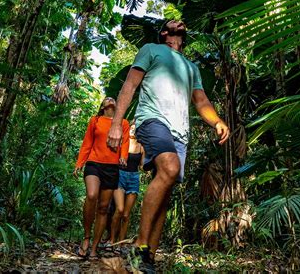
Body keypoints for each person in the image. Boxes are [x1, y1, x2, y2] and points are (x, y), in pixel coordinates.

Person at [107, 20, 230, 271]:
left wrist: (217, 121)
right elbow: (129, 86)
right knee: (171, 168)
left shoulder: (191, 67)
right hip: (152, 119)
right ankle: (140, 245)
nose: (180, 21)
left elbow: (201, 100)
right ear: (164, 32)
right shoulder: (151, 49)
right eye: (172, 22)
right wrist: (117, 124)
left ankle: (148, 258)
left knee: (165, 191)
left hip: (180, 133)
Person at [74, 97, 130, 259]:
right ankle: (86, 237)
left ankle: (94, 248)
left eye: (112, 98)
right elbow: (87, 143)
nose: (110, 99)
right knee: (92, 195)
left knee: (104, 208)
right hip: (94, 163)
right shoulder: (95, 120)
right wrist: (80, 163)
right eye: (107, 99)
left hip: (112, 168)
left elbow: (125, 142)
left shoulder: (123, 123)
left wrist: (123, 156)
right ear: (102, 106)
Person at [108, 121, 144, 251]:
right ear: (127, 130)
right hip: (121, 176)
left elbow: (143, 165)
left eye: (135, 129)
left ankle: (121, 243)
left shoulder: (141, 146)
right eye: (131, 128)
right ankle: (111, 240)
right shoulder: (122, 142)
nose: (133, 131)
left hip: (134, 177)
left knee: (126, 215)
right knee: (120, 209)